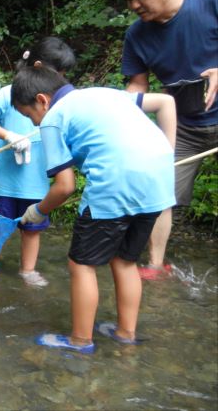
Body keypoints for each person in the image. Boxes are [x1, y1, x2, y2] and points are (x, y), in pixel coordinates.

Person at [12, 65, 176, 353]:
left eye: (29, 116)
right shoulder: (105, 93)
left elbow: (64, 186)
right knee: (125, 260)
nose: (35, 123)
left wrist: (38, 210)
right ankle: (125, 333)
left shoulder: (52, 119)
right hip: (159, 178)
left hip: (116, 181)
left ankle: (80, 340)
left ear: (42, 100)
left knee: (81, 264)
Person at [119, 0, 218, 280]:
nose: (134, 5)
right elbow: (138, 84)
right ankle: (154, 265)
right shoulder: (136, 34)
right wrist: (123, 108)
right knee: (160, 191)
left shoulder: (211, 1)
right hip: (183, 128)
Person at [0, 37, 76, 287]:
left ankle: (27, 271)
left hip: (38, 183)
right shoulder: (9, 93)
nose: (62, 80)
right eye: (59, 73)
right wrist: (8, 135)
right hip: (7, 183)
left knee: (32, 229)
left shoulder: (58, 101)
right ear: (40, 66)